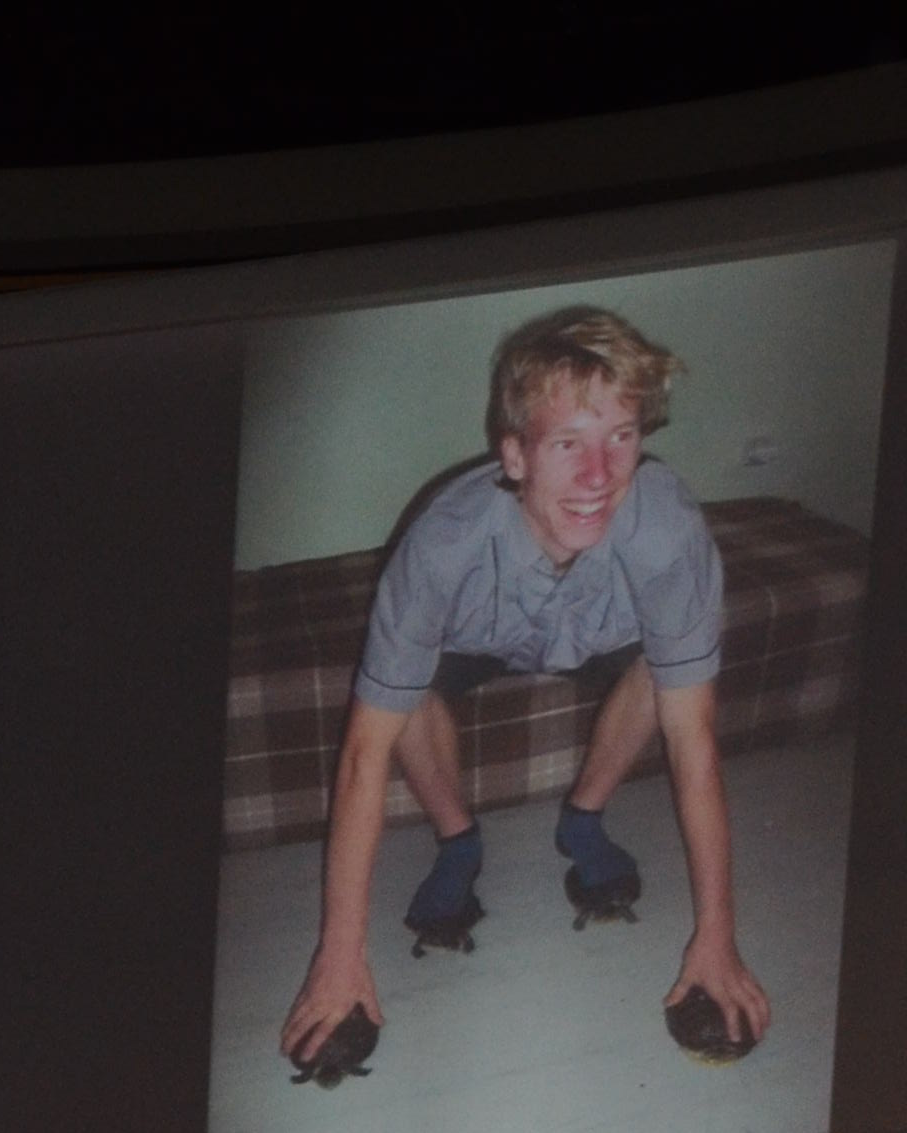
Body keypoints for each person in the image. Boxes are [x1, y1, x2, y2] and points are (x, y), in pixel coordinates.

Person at [282, 304, 768, 1081]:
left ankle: (583, 820)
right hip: (474, 638)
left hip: (605, 635)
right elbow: (364, 754)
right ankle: (459, 842)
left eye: (621, 437)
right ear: (514, 454)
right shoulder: (443, 545)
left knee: (670, 671)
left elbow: (694, 742)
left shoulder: (668, 529)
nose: (600, 476)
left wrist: (719, 936)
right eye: (568, 443)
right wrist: (339, 956)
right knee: (400, 696)